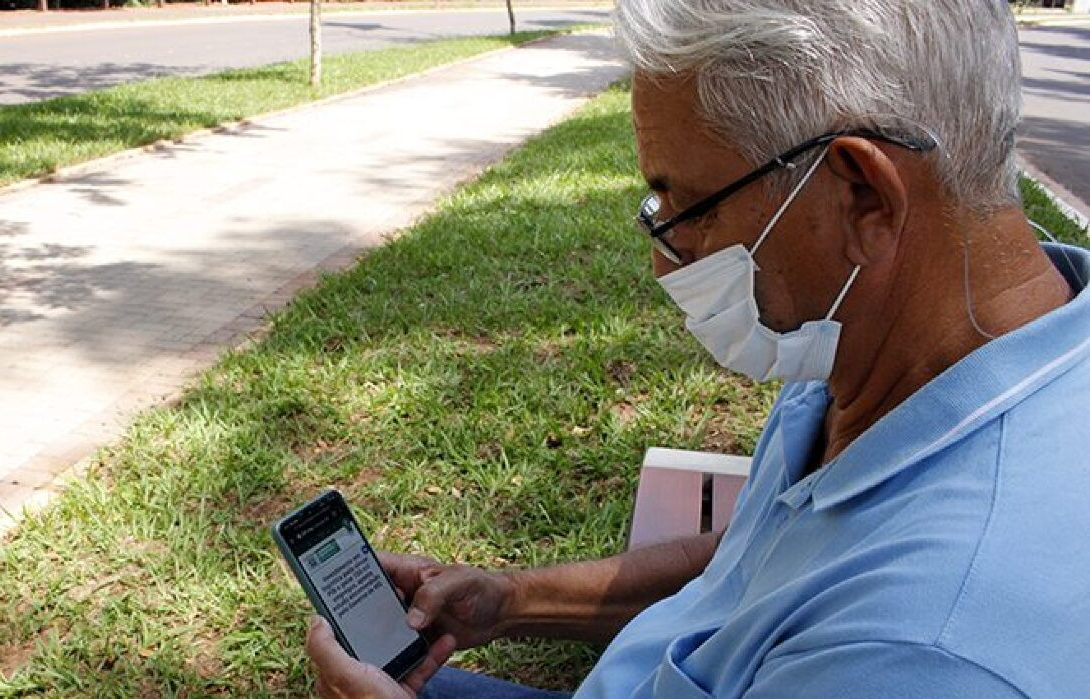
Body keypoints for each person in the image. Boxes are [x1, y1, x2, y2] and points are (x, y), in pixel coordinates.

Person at [305, 1, 1090, 696]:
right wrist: (513, 597)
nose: (663, 256)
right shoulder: (882, 339)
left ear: (861, 196)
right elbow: (768, 559)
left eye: (688, 207)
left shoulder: (914, 651)